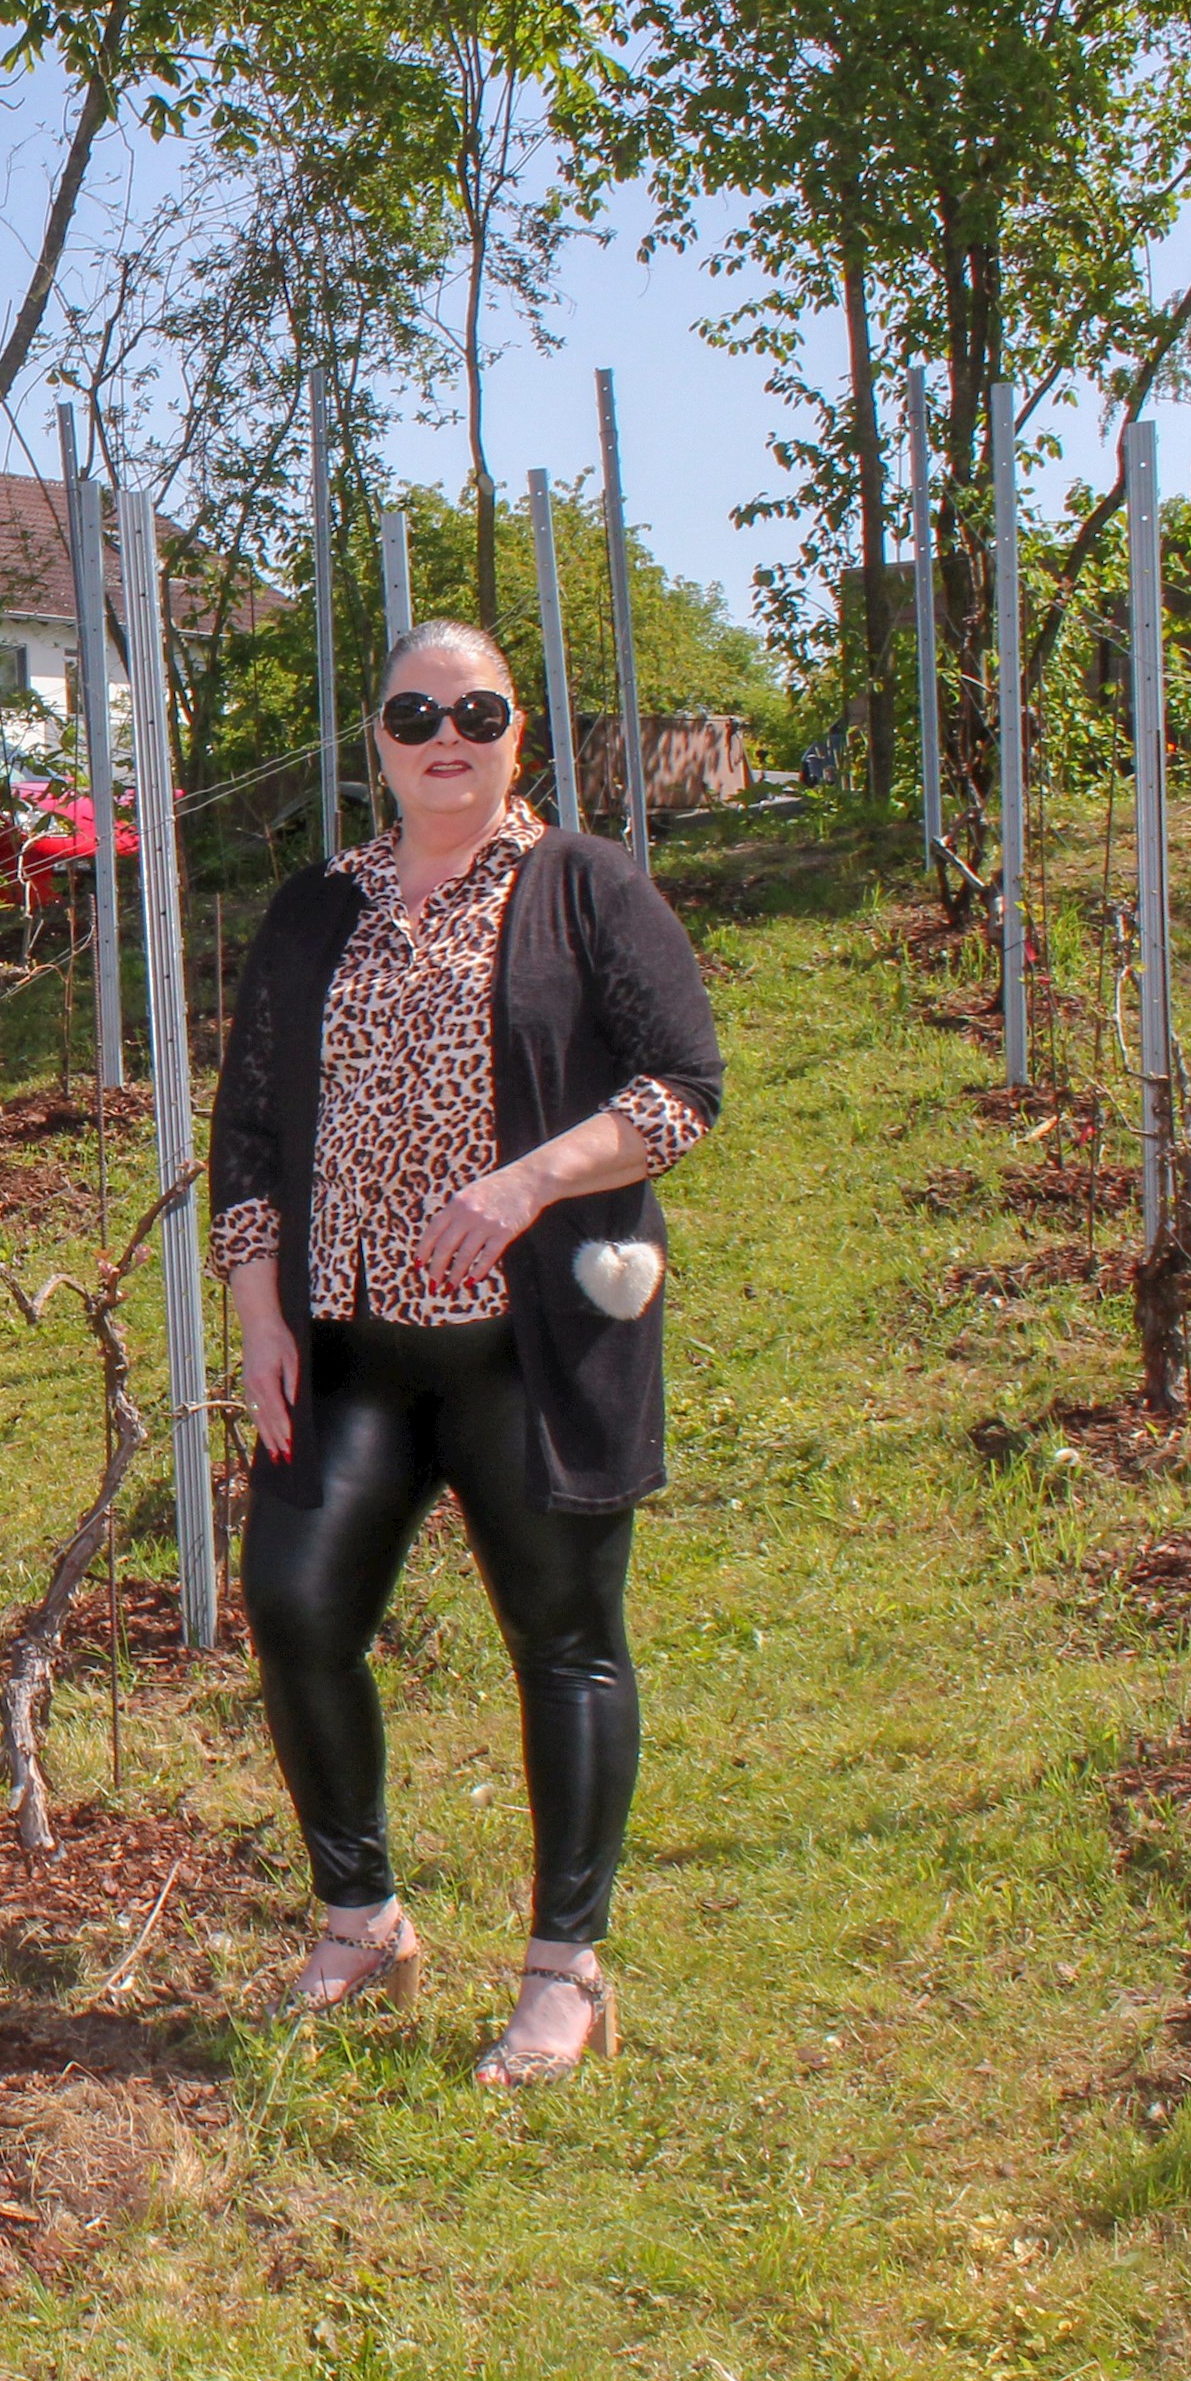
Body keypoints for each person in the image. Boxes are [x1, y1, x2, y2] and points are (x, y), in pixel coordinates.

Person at [210, 622, 725, 2085]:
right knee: (298, 1602)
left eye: (478, 709)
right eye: (415, 710)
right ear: (373, 737)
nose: (448, 732)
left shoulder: (585, 886)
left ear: (519, 734)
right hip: (353, 1340)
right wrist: (258, 1308)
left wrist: (522, 1183)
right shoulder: (317, 909)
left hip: (532, 1346)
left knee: (563, 1639)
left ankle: (567, 1963)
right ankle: (361, 1912)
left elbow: (683, 1085)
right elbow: (250, 1128)